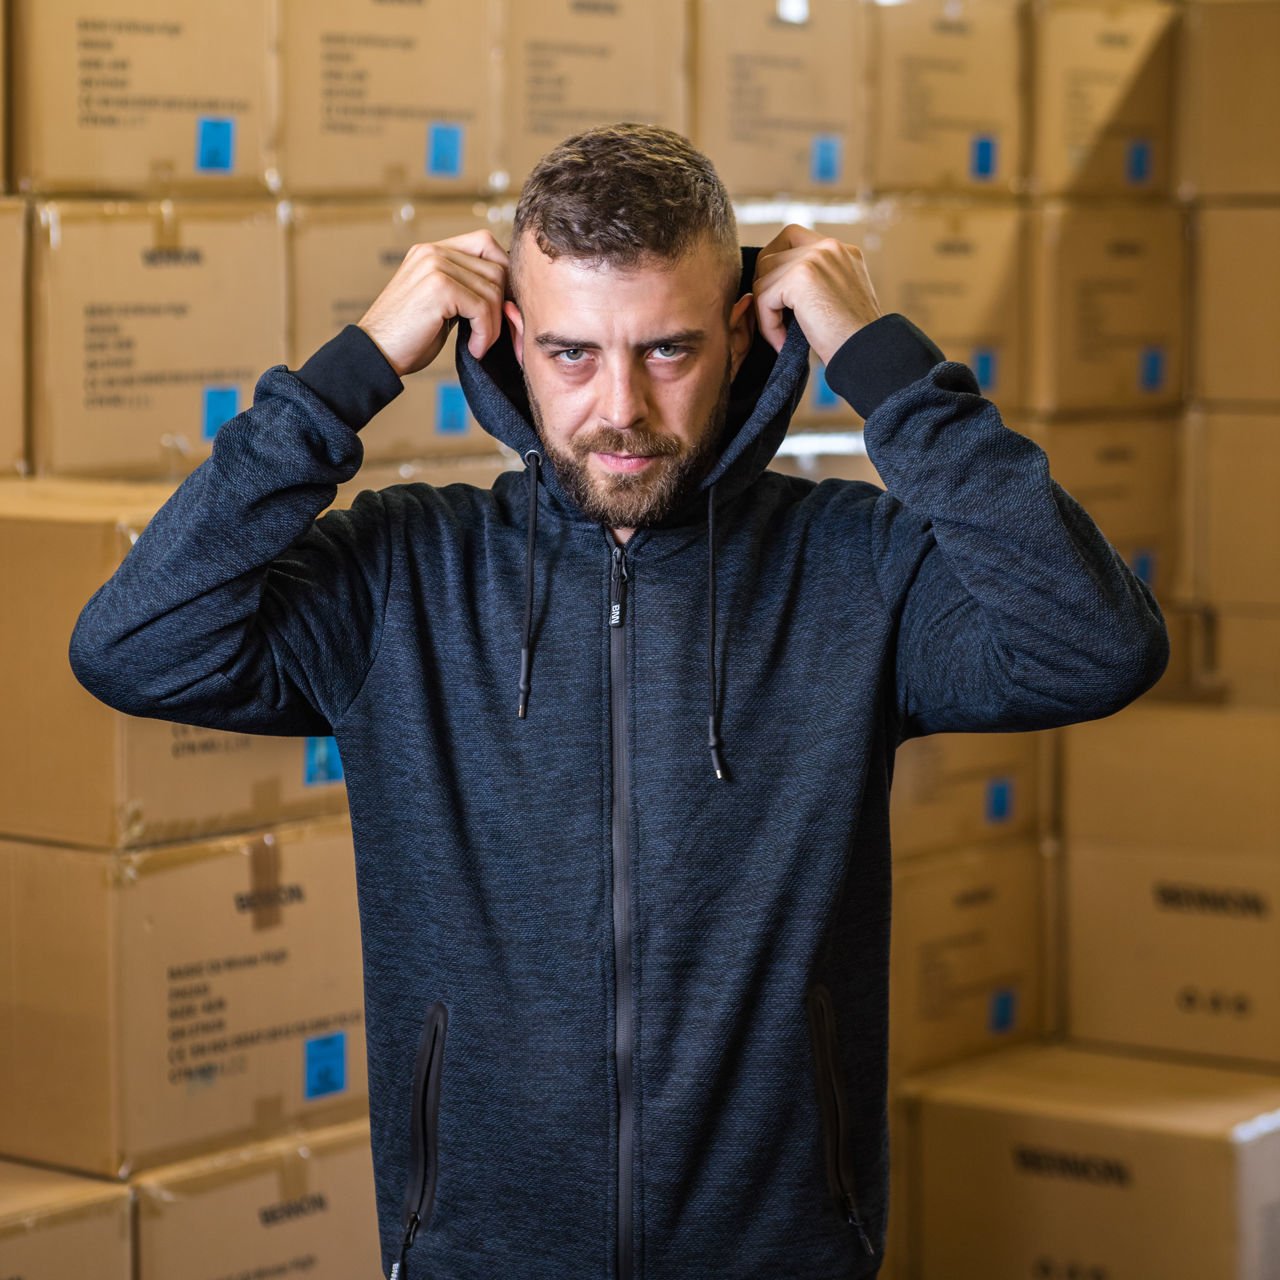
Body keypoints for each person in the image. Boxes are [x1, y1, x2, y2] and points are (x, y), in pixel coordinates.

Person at [68, 122, 1169, 1279]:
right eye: (573, 353)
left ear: (745, 333)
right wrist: (349, 373)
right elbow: (134, 644)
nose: (621, 410)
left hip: (781, 1253)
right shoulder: (404, 575)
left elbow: (1094, 647)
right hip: (476, 1255)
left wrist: (885, 366)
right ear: (505, 342)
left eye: (668, 350)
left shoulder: (859, 571)